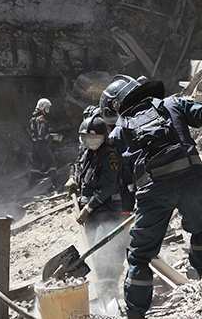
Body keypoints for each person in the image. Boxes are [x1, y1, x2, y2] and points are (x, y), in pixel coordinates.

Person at [99, 75, 202, 319]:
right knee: (199, 231)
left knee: (140, 256)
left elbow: (124, 181)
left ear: (113, 108)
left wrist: (129, 208)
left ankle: (135, 314)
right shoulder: (171, 103)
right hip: (192, 181)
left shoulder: (117, 132)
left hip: (154, 192)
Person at [64, 108, 126, 303]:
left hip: (107, 211)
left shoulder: (109, 156)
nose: (87, 139)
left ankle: (111, 292)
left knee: (105, 252)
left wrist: (88, 208)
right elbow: (78, 165)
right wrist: (73, 178)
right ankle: (102, 292)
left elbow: (107, 188)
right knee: (92, 253)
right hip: (89, 212)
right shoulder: (88, 152)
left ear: (101, 136)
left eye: (91, 136)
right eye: (84, 136)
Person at [28, 98, 63, 189]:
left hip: (35, 144)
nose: (48, 109)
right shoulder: (41, 119)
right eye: (47, 107)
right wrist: (54, 138)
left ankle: (30, 185)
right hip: (41, 145)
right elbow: (42, 134)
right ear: (42, 107)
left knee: (36, 165)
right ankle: (56, 184)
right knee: (51, 163)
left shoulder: (34, 118)